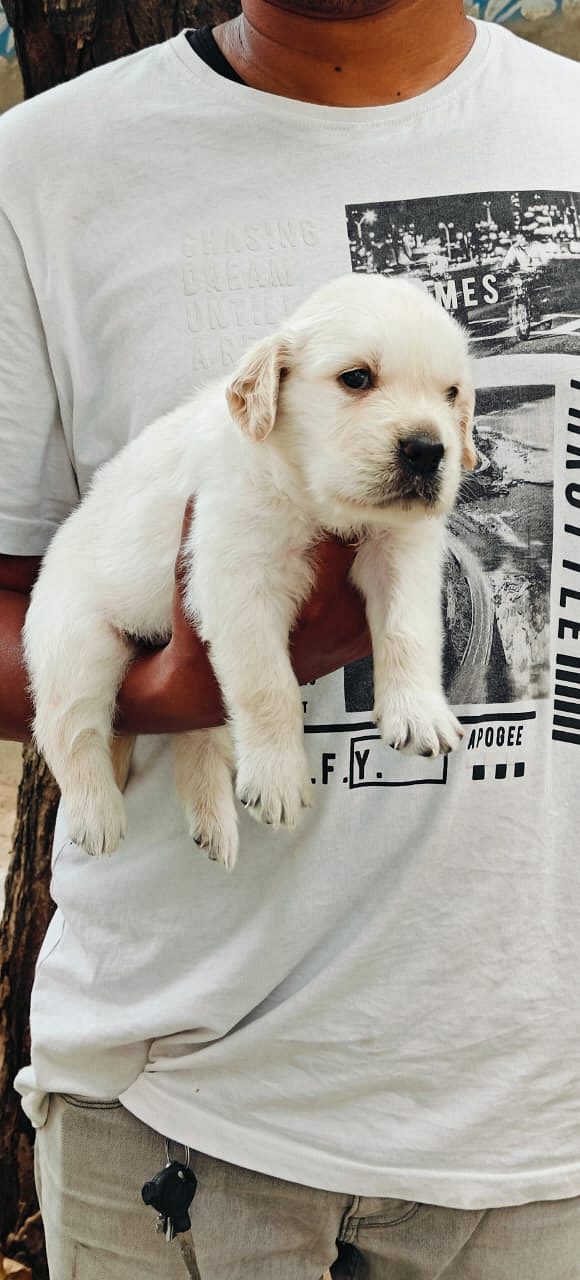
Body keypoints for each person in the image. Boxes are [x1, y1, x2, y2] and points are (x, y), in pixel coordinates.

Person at [1, 0, 580, 1275]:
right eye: (364, 384)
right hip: (178, 1093)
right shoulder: (43, 167)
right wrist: (181, 690)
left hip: (541, 1121)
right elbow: (32, 597)